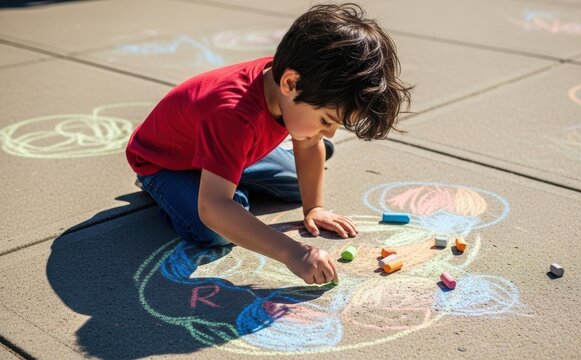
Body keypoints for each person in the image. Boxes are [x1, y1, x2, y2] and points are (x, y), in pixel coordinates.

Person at [125, 3, 411, 285]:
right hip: (168, 163)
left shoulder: (292, 81)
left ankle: (229, 177)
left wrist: (315, 208)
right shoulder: (232, 114)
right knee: (215, 228)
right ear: (290, 84)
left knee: (294, 183)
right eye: (326, 121)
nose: (331, 133)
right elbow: (213, 208)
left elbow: (309, 143)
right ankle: (174, 190)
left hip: (232, 146)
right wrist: (293, 252)